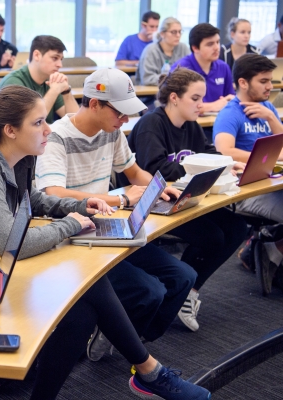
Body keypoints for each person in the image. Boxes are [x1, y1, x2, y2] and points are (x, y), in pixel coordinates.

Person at [0, 85, 210, 400]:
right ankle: (150, 372)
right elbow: (12, 241)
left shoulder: (18, 158)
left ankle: (141, 374)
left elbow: (34, 200)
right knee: (84, 284)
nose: (49, 129)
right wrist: (70, 225)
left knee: (82, 312)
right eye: (38, 122)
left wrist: (81, 206)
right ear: (10, 130)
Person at [34, 68, 196, 353]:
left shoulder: (111, 131)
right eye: (120, 113)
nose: (125, 121)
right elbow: (54, 194)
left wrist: (160, 189)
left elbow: (133, 172)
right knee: (150, 290)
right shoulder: (57, 137)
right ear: (95, 103)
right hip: (74, 233)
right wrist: (118, 201)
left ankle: (125, 335)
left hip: (106, 225)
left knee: (183, 277)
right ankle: (122, 335)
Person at [128, 67, 247, 331]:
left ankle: (190, 292)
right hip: (155, 201)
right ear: (174, 98)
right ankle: (182, 292)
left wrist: (229, 164)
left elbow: (207, 152)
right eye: (195, 98)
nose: (201, 105)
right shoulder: (152, 124)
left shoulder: (191, 125)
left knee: (238, 227)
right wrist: (201, 166)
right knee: (213, 237)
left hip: (186, 195)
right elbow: (155, 170)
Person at [213, 53, 283, 288]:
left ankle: (269, 249)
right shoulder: (230, 113)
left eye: (270, 80)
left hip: (272, 183)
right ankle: (268, 250)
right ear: (243, 82)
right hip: (247, 190)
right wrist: (268, 156)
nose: (270, 86)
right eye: (263, 81)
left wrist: (272, 118)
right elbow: (224, 151)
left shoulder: (267, 108)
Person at [0, 35, 78, 124]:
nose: (60, 65)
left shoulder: (52, 82)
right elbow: (30, 122)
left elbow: (76, 122)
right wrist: (54, 90)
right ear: (37, 55)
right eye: (55, 58)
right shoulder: (13, 82)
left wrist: (66, 91)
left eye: (61, 59)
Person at [172, 23, 235, 113]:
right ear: (195, 48)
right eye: (210, 44)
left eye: (217, 42)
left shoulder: (223, 67)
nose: (216, 48)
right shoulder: (181, 69)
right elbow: (175, 105)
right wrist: (213, 106)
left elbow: (231, 100)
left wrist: (227, 102)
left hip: (216, 122)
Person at [136, 17, 190, 86]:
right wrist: (174, 79)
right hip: (152, 94)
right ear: (162, 34)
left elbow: (190, 73)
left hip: (178, 92)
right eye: (173, 32)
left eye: (180, 32)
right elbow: (147, 79)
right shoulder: (151, 50)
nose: (178, 35)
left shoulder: (183, 48)